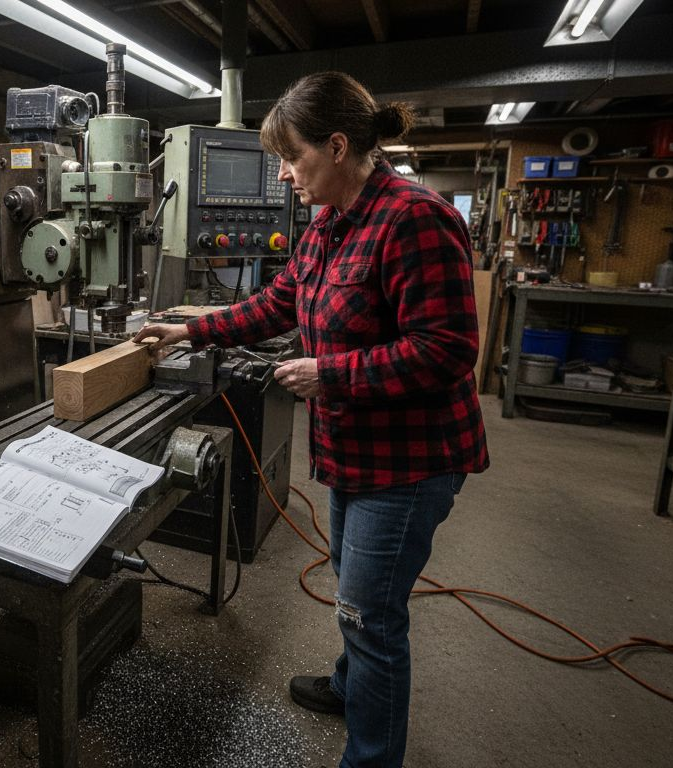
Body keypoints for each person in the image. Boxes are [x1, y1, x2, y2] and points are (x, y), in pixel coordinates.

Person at [134, 71, 489, 768]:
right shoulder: (329, 222)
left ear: (337, 146)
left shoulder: (415, 220)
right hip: (353, 451)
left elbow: (447, 351)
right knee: (356, 591)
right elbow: (277, 304)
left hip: (409, 462)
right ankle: (350, 686)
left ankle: (371, 756)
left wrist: (332, 374)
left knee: (371, 615)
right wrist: (189, 331)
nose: (284, 174)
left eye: (292, 157)